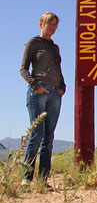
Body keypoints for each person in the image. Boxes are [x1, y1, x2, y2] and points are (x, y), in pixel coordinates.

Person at [20, 12, 66, 188]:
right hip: (38, 93)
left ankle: (43, 179)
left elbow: (58, 68)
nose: (52, 27)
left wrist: (63, 87)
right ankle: (26, 178)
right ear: (41, 24)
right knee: (36, 135)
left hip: (55, 93)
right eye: (49, 24)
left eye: (55, 25)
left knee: (49, 137)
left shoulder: (55, 47)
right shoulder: (33, 43)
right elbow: (23, 69)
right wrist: (35, 85)